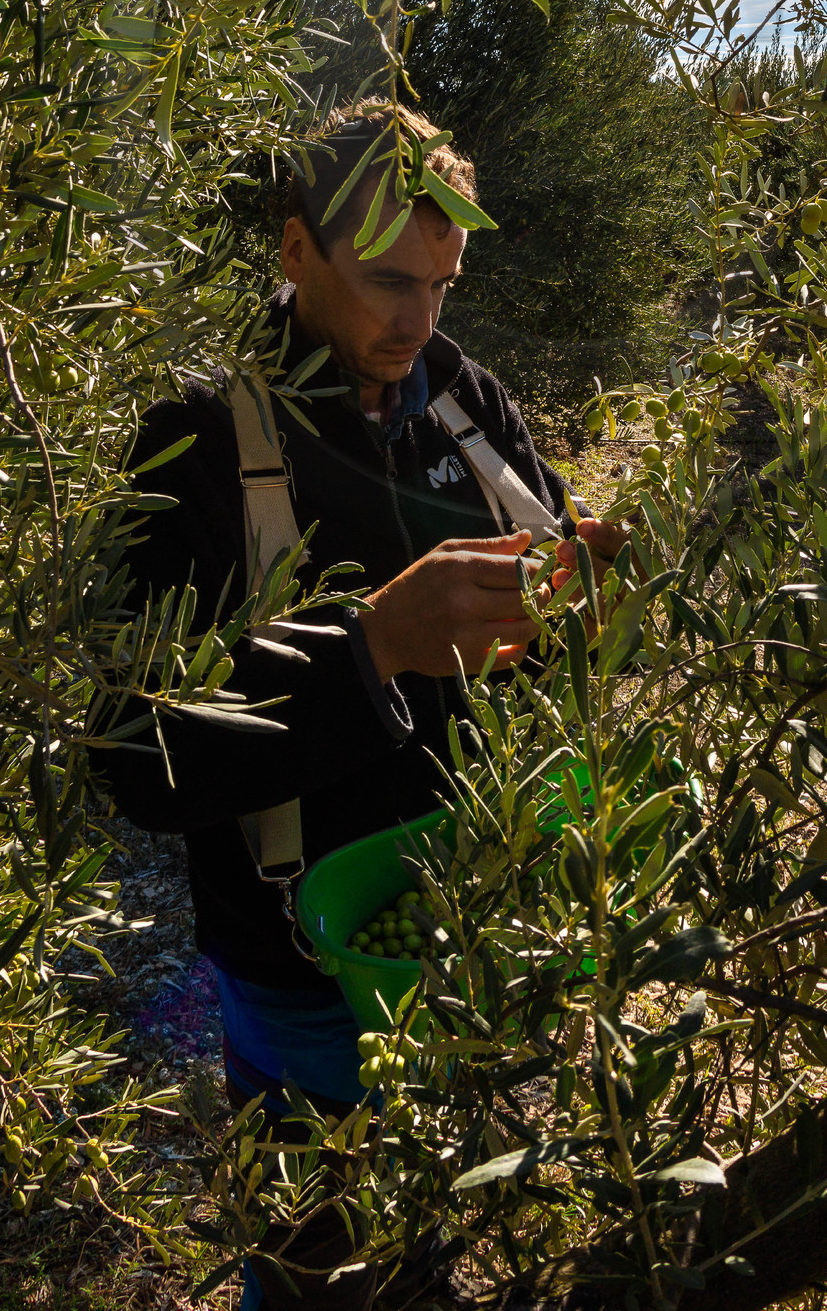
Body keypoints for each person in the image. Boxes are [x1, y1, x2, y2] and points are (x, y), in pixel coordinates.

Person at [93, 101, 625, 1309]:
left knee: (425, 1229)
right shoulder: (194, 437)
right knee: (314, 1266)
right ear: (297, 250)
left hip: (460, 934)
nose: (417, 321)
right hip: (298, 960)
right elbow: (136, 757)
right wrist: (372, 647)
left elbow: (538, 605)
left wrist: (578, 603)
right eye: (389, 281)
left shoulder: (464, 399)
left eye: (442, 284)